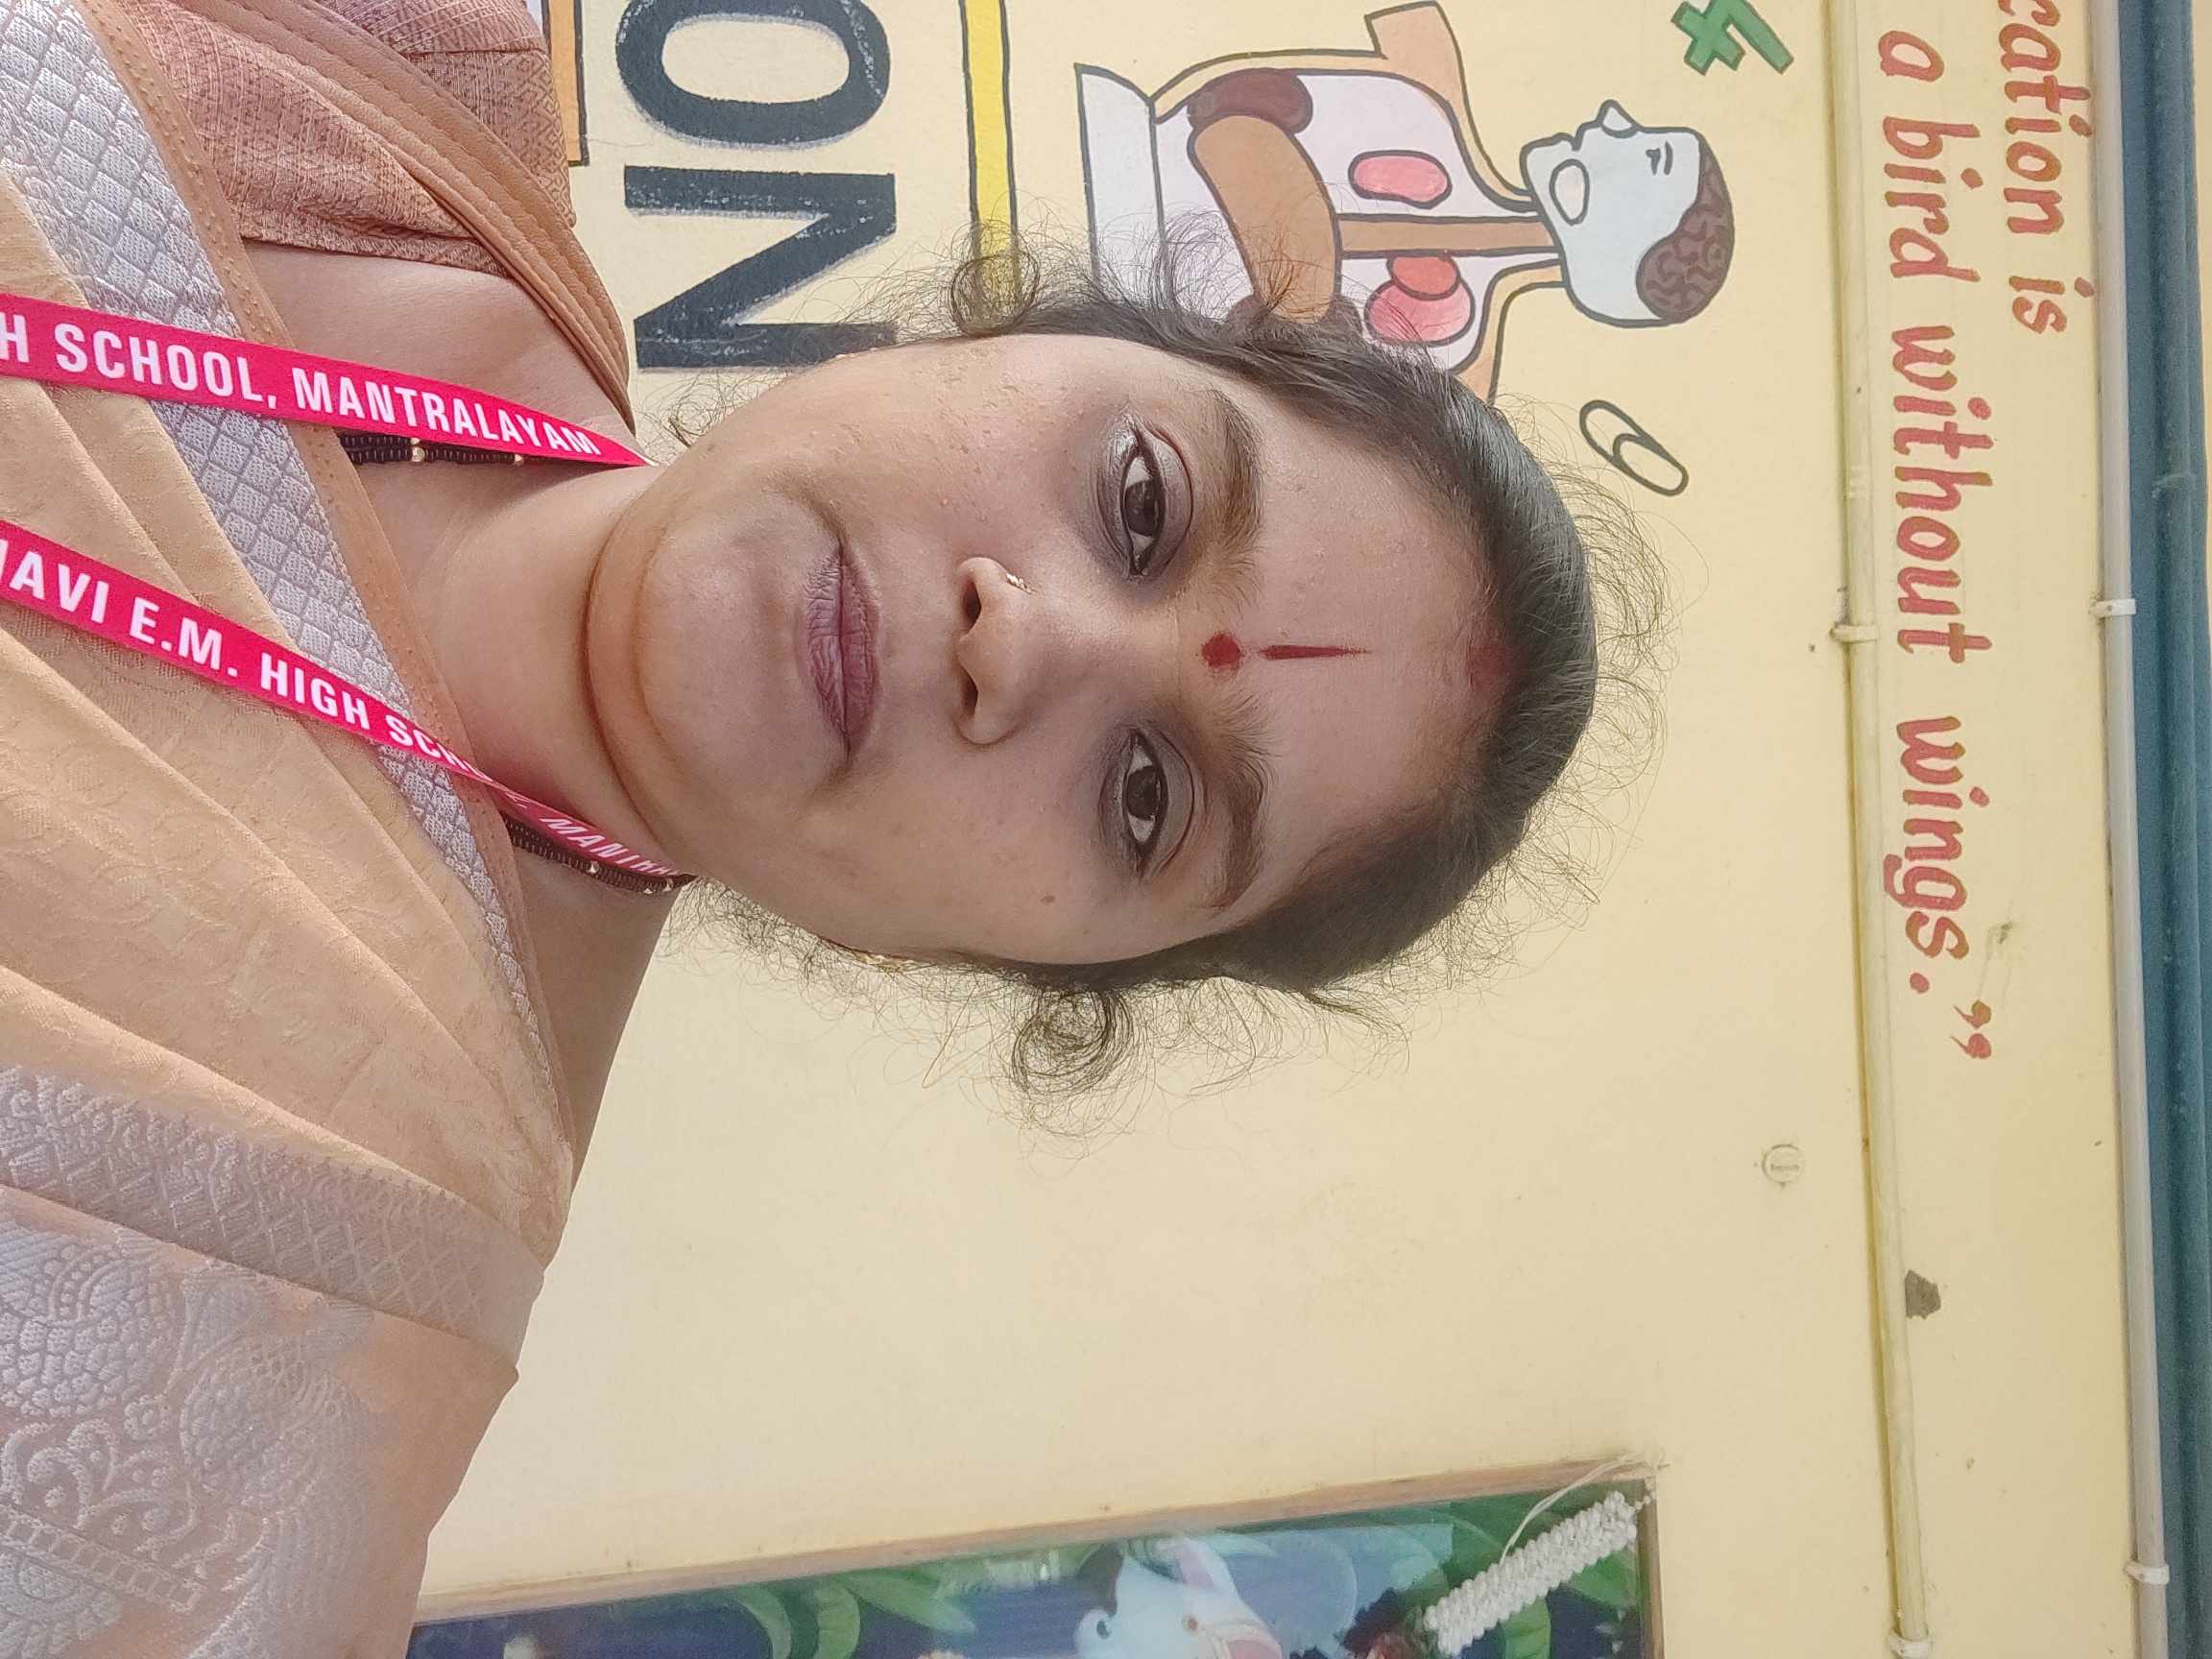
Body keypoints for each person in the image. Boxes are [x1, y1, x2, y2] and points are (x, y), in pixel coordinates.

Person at [0, 0, 1647, 1649]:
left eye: (1146, 796)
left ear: (997, 962)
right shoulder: (392, 64)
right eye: (1141, 500)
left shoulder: (279, 1349)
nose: (1026, 639)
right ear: (992, 335)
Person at [1077, 1, 1736, 397]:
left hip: (1103, 340)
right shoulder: (1426, 94)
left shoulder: (1454, 361)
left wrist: (1299, 292)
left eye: (1650, 156)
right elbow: (1233, 129)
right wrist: (1300, 292)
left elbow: (1282, 376)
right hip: (1101, 138)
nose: (1616, 117)